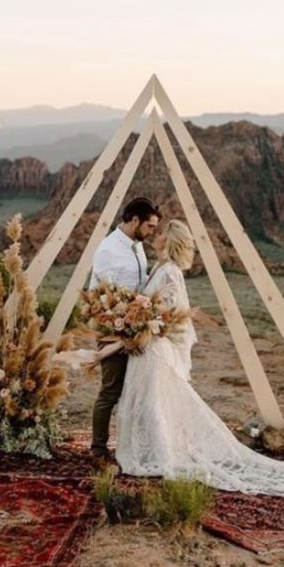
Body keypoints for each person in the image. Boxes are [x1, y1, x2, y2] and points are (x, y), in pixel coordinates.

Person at [113, 219, 284, 496]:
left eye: (159, 233)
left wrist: (144, 324)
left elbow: (169, 317)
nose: (154, 236)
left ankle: (160, 453)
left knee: (153, 403)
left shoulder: (170, 272)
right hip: (146, 346)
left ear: (169, 241)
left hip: (155, 348)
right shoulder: (159, 267)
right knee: (146, 402)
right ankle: (149, 449)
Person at [88, 197, 160, 461]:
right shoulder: (109, 249)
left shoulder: (136, 246)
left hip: (136, 329)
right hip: (112, 329)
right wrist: (122, 328)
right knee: (110, 390)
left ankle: (131, 446)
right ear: (134, 221)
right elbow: (102, 297)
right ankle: (98, 450)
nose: (152, 232)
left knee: (135, 389)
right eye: (150, 226)